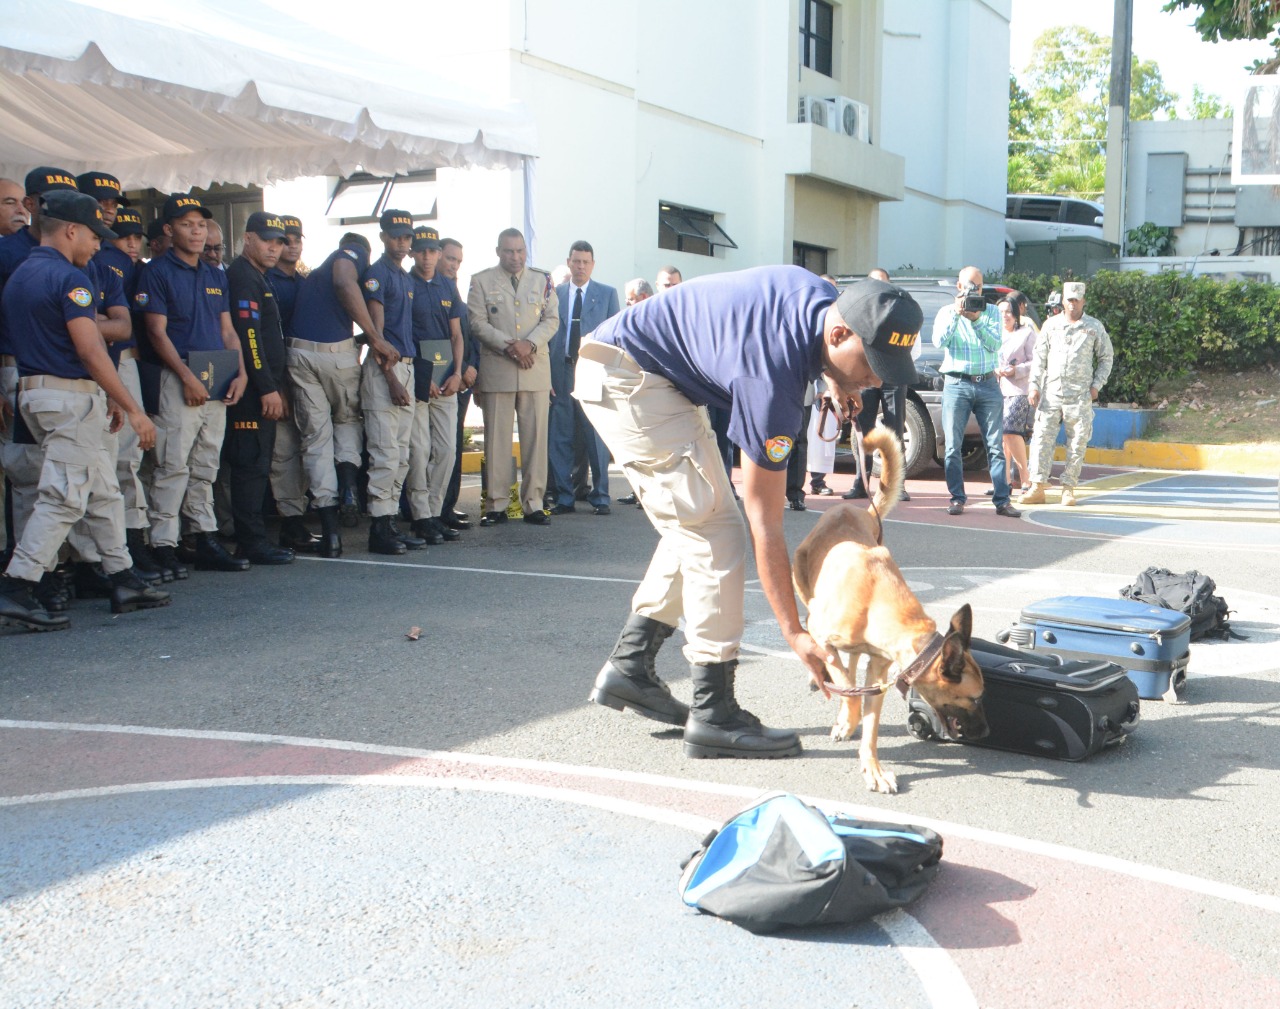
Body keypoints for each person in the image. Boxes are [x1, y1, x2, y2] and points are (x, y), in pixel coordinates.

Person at [579, 267, 922, 759]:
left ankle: (630, 666)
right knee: (716, 534)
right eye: (871, 364)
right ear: (840, 334)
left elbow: (813, 348)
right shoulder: (770, 383)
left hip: (650, 370)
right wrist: (795, 633)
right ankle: (714, 713)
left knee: (696, 521)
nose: (873, 381)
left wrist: (835, 378)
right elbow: (767, 523)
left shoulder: (827, 301)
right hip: (628, 376)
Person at [0, 190, 167, 630]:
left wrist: (108, 395)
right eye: (94, 235)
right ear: (71, 230)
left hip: (39, 392)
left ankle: (123, 575)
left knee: (102, 489)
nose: (99, 245)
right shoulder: (72, 279)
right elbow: (92, 351)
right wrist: (134, 408)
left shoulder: (22, 273)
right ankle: (16, 587)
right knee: (62, 497)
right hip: (68, 397)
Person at [136, 192, 249, 576]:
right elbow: (156, 332)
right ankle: (163, 543)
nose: (197, 232)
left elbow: (227, 330)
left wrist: (242, 372)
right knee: (172, 464)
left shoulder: (215, 273)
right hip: (179, 374)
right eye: (187, 224)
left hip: (216, 373)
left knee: (206, 464)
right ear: (169, 229)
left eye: (201, 225)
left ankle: (203, 536)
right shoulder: (157, 271)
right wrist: (185, 377)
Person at [286, 231, 396, 557]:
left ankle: (331, 534)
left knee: (315, 439)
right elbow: (344, 281)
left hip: (298, 352)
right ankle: (349, 484)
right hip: (335, 353)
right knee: (348, 419)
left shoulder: (311, 278)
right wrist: (375, 338)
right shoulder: (351, 254)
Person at [466, 228, 558, 527]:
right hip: (499, 368)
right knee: (497, 441)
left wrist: (528, 344)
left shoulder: (542, 280)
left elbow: (552, 319)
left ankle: (534, 503)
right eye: (508, 251)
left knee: (535, 441)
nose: (515, 257)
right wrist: (511, 347)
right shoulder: (481, 281)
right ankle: (496, 504)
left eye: (519, 251)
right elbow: (477, 323)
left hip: (534, 369)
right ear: (498, 251)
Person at [221, 212, 295, 565]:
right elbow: (249, 337)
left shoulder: (257, 276)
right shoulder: (243, 276)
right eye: (267, 239)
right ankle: (250, 540)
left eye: (279, 241)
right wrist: (267, 387)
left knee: (257, 462)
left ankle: (253, 538)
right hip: (250, 391)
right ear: (248, 238)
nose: (274, 247)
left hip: (262, 386)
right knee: (249, 464)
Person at [931, 267, 1020, 518]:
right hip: (957, 384)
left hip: (988, 384)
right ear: (959, 287)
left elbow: (994, 344)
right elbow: (939, 342)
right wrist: (958, 315)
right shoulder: (946, 312)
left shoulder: (991, 311)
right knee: (952, 446)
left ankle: (1002, 500)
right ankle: (957, 498)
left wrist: (976, 319)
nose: (975, 291)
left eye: (979, 287)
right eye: (970, 286)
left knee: (995, 445)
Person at [362, 208, 425, 554]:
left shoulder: (404, 276)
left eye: (406, 238)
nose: (402, 243)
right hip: (385, 368)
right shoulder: (378, 275)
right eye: (395, 237)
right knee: (385, 452)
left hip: (407, 366)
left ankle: (389, 522)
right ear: (383, 237)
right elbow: (377, 334)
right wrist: (391, 378)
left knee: (401, 453)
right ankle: (378, 526)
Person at [1020, 282, 1114, 507]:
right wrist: (1034, 386)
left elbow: (1106, 358)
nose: (1072, 304)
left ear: (1083, 301)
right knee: (1041, 439)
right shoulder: (1051, 325)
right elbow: (1039, 358)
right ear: (1063, 301)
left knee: (1077, 443)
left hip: (1079, 396)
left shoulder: (1093, 327)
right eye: (1069, 300)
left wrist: (1096, 386)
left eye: (1076, 300)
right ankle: (1037, 486)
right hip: (1051, 394)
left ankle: (1068, 488)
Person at [405, 225, 465, 544]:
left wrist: (457, 372)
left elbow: (457, 335)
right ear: (413, 253)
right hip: (417, 378)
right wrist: (420, 375)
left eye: (432, 251)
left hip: (446, 380)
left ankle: (434, 510)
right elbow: (399, 335)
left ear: (439, 254)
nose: (427, 257)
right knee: (419, 449)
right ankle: (420, 516)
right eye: (422, 251)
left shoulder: (447, 287)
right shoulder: (404, 283)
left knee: (446, 450)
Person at [549, 240, 619, 515]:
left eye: (585, 262)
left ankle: (601, 496)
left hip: (591, 371)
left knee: (595, 436)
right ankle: (565, 497)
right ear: (568, 262)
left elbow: (615, 338)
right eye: (576, 261)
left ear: (592, 264)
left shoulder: (606, 294)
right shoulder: (555, 293)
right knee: (561, 435)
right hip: (562, 371)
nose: (580, 266)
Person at [265, 214, 315, 554]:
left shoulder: (304, 282)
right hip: (276, 373)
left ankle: (298, 512)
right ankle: (289, 520)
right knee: (282, 452)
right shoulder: (265, 280)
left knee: (307, 445)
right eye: (284, 239)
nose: (292, 244)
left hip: (305, 372)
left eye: (296, 238)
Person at [436, 237, 476, 530]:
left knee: (452, 446)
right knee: (433, 449)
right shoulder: (424, 288)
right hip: (434, 381)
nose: (454, 265)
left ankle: (448, 506)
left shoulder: (454, 290)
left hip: (460, 381)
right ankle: (429, 510)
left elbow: (467, 334)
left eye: (458, 261)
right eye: (450, 258)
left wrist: (471, 366)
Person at [995, 292, 1038, 495]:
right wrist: (994, 370)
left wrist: (1017, 370)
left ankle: (1025, 477)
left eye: (1009, 312)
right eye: (1001, 312)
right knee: (1001, 436)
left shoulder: (1027, 333)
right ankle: (1004, 481)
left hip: (1018, 389)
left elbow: (1036, 362)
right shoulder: (992, 334)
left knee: (1011, 430)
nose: (1005, 316)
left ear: (1016, 314)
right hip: (995, 389)